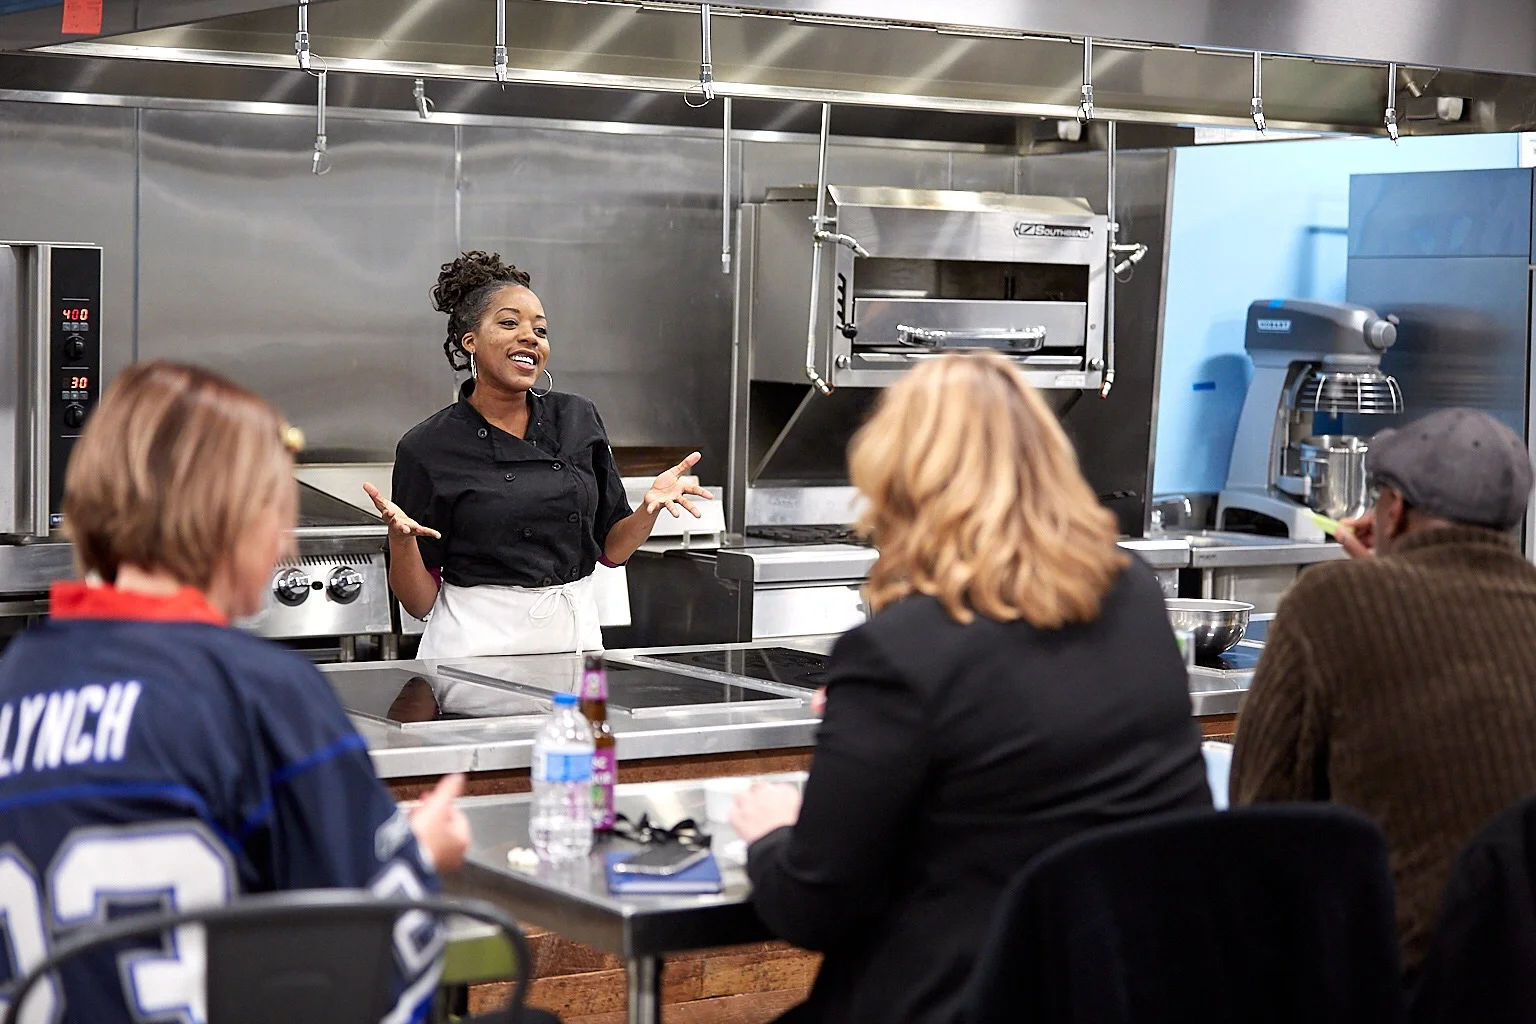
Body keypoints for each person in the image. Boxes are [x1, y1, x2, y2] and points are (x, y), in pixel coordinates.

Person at [729, 352, 1212, 1024]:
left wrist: (772, 834)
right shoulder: (1130, 592)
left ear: (898, 481)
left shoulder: (898, 654)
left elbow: (814, 908)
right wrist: (880, 722)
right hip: (1123, 989)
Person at [0, 361, 470, 1023]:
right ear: (230, 514)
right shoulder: (260, 692)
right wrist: (418, 857)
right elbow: (363, 967)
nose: (284, 548)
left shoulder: (17, 678)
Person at [1231, 407, 1536, 978]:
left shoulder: (1329, 601)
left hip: (1412, 982)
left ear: (1392, 511)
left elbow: (1261, 822)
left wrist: (1374, 582)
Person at [364, 251, 712, 659]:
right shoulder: (428, 447)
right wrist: (400, 541)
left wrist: (647, 510)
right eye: (509, 323)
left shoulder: (577, 417)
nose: (530, 337)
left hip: (574, 642)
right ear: (470, 341)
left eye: (540, 330)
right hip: (476, 648)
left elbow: (612, 550)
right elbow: (419, 602)